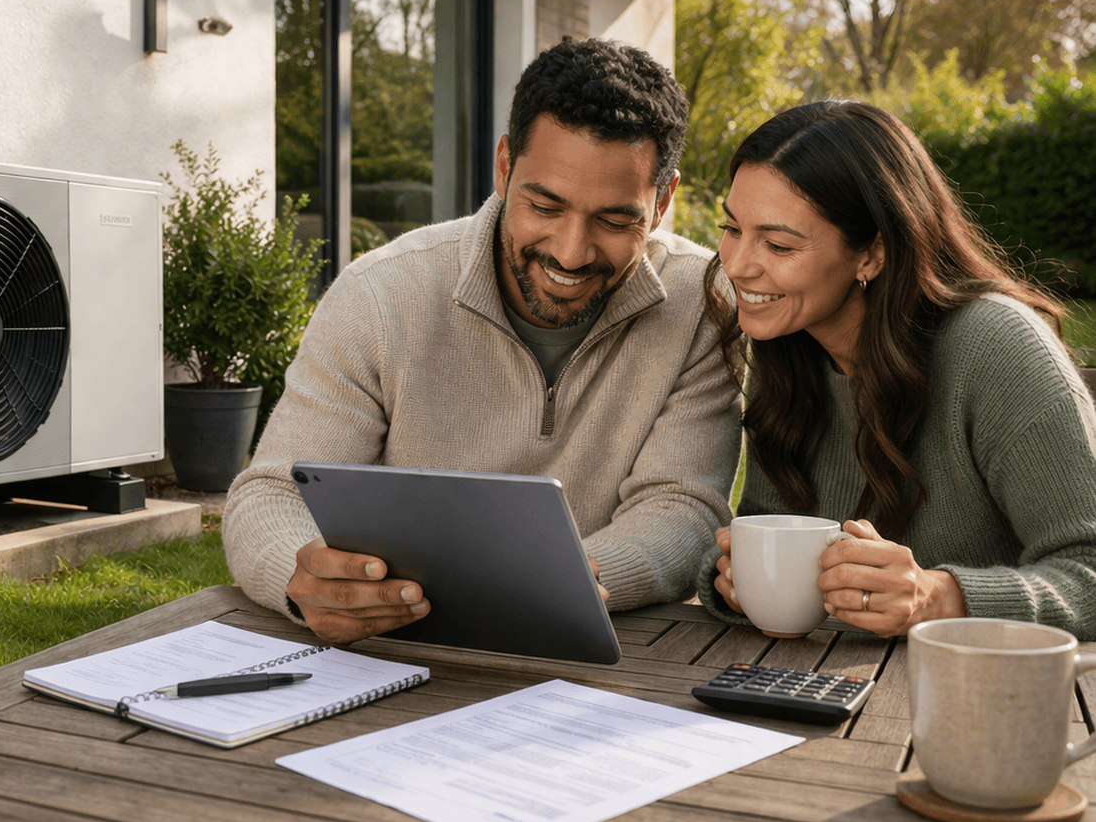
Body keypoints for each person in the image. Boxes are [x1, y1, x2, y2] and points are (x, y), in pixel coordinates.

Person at [223, 37, 743, 644]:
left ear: (662, 202)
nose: (570, 252)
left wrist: (567, 582)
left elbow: (683, 507)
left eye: (614, 219)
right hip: (395, 645)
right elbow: (272, 492)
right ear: (504, 167)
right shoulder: (379, 295)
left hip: (613, 651)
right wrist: (302, 577)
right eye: (544, 204)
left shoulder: (702, 304)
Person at [697, 99, 1096, 640]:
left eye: (778, 243)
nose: (738, 264)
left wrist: (939, 597)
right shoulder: (788, 348)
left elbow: (1088, 575)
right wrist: (738, 581)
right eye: (731, 227)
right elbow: (775, 540)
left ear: (871, 255)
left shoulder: (997, 348)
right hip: (823, 687)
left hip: (992, 697)